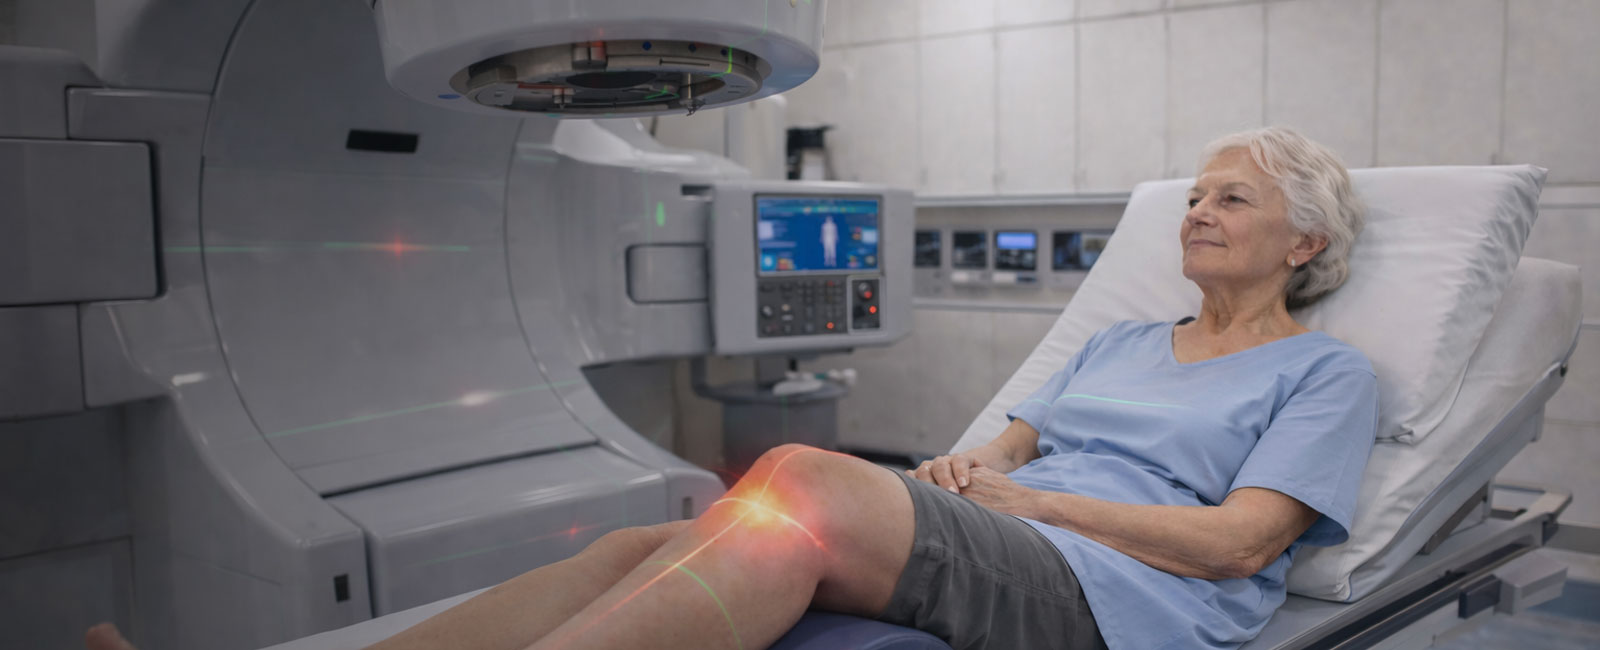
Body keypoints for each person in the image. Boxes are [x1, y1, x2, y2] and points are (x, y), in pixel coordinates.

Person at [87, 126, 1376, 650]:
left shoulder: (1324, 373)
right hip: (1020, 533)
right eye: (1194, 194)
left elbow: (1233, 548)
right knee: (664, 533)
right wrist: (969, 476)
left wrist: (1030, 505)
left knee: (800, 484)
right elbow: (1006, 444)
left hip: (1122, 595)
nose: (1199, 211)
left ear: (1304, 245)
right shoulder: (1122, 341)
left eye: (1233, 198)